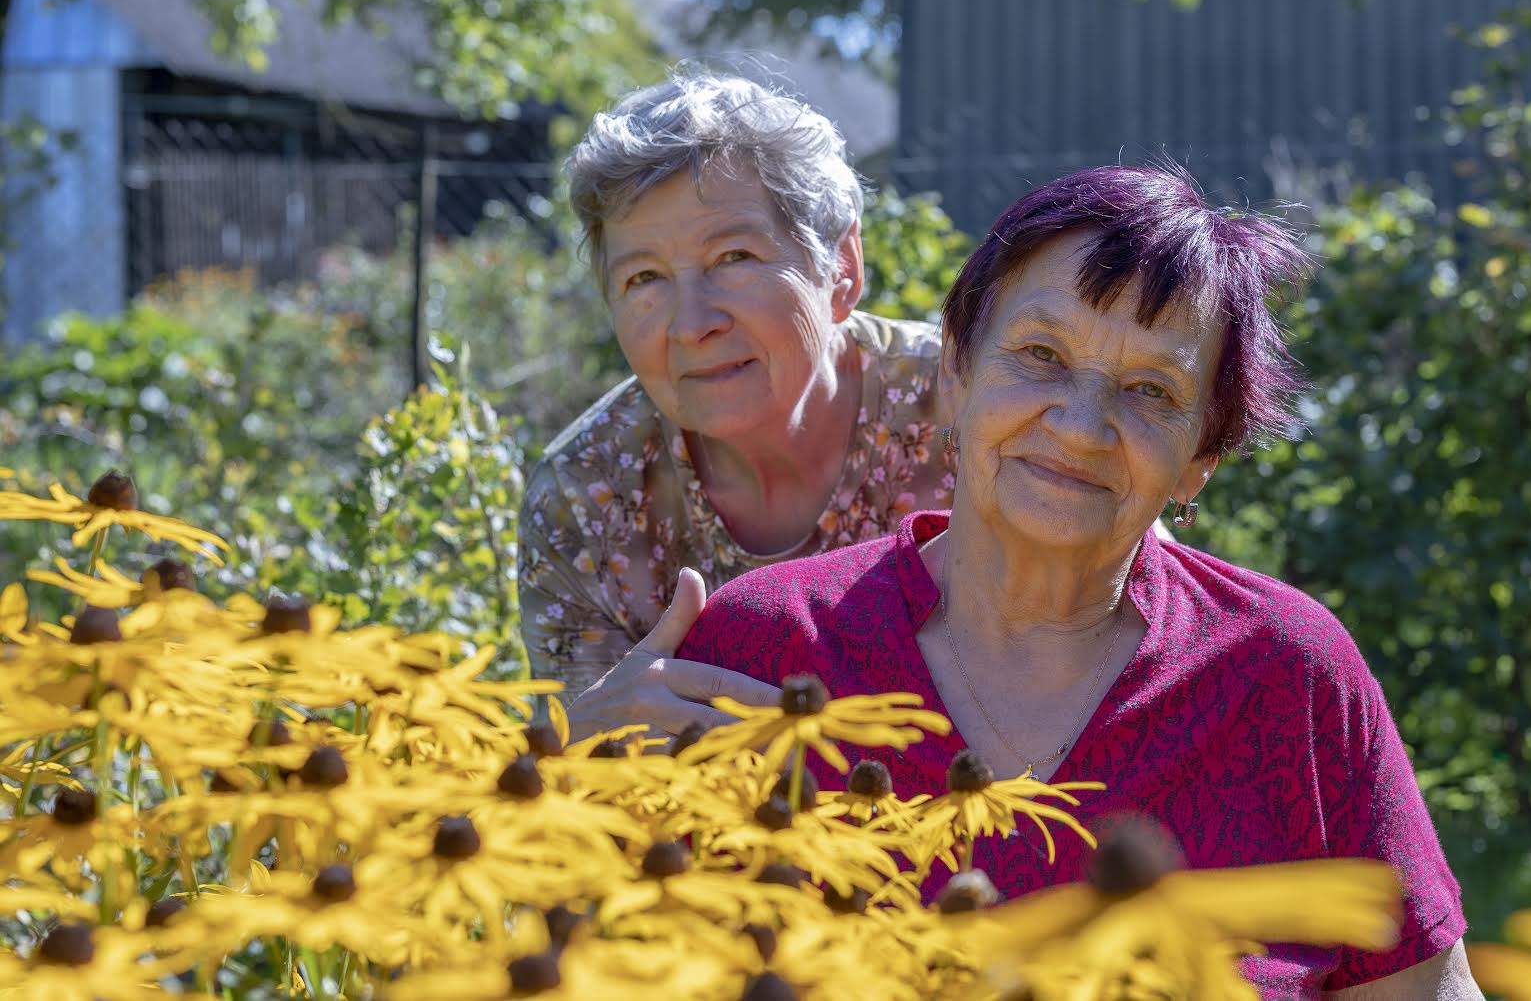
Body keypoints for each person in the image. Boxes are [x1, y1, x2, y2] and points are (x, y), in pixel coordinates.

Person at [675, 162, 1481, 999]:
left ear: (1200, 459)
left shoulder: (1288, 677)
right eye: (1040, 354)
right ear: (955, 372)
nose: (1082, 425)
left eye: (1150, 391)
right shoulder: (765, 652)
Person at [518, 71, 952, 723]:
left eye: (734, 257)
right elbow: (579, 772)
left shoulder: (975, 411)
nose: (692, 324)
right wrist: (592, 744)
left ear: (842, 268)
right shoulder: (588, 499)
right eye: (644, 278)